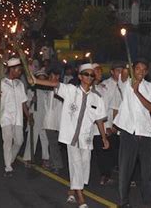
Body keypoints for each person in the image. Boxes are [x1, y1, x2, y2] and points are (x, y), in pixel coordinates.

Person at [31, 63, 109, 208]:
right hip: (71, 137)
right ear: (80, 76)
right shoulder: (70, 90)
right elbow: (54, 83)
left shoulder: (97, 98)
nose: (90, 77)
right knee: (76, 164)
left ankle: (72, 191)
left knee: (85, 166)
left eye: (92, 75)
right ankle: (80, 197)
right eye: (86, 74)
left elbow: (99, 120)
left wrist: (104, 138)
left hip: (86, 138)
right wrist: (35, 81)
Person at [113, 58, 151, 208]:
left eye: (144, 69)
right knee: (126, 169)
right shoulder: (125, 84)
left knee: (147, 171)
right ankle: (123, 201)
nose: (141, 72)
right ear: (133, 69)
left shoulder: (150, 87)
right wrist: (127, 68)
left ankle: (148, 200)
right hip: (128, 133)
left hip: (145, 134)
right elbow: (124, 74)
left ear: (147, 72)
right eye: (137, 68)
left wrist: (137, 92)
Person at [0, 58, 32, 177]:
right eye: (19, 70)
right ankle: (8, 167)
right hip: (5, 117)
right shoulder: (0, 83)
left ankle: (10, 160)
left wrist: (28, 116)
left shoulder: (20, 84)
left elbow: (23, 102)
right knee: (7, 141)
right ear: (12, 70)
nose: (20, 72)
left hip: (18, 117)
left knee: (19, 141)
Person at [92, 63, 117, 186]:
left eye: (100, 71)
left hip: (106, 125)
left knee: (108, 152)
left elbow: (111, 107)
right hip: (94, 128)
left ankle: (106, 175)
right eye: (97, 71)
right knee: (100, 152)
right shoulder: (88, 88)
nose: (100, 73)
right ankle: (104, 175)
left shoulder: (104, 88)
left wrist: (112, 126)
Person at [23, 69, 50, 167]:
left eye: (43, 78)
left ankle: (45, 158)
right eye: (40, 78)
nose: (42, 79)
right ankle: (28, 158)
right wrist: (32, 101)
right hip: (34, 115)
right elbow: (26, 104)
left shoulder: (47, 91)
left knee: (44, 138)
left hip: (45, 117)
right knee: (32, 137)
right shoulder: (31, 90)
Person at [42, 68, 64, 174]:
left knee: (54, 144)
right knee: (53, 143)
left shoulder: (61, 89)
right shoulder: (47, 89)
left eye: (53, 77)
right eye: (50, 77)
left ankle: (55, 164)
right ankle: (55, 164)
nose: (51, 79)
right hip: (49, 121)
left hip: (58, 121)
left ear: (58, 77)